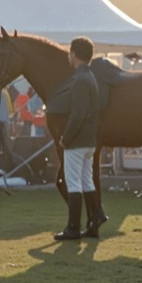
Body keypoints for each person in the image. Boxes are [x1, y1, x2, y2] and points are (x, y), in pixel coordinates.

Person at [55, 37, 101, 241]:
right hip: (89, 140)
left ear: (74, 54)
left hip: (78, 140)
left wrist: (66, 137)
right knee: (86, 181)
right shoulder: (89, 77)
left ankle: (73, 228)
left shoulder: (80, 79)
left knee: (73, 182)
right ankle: (94, 220)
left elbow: (78, 113)